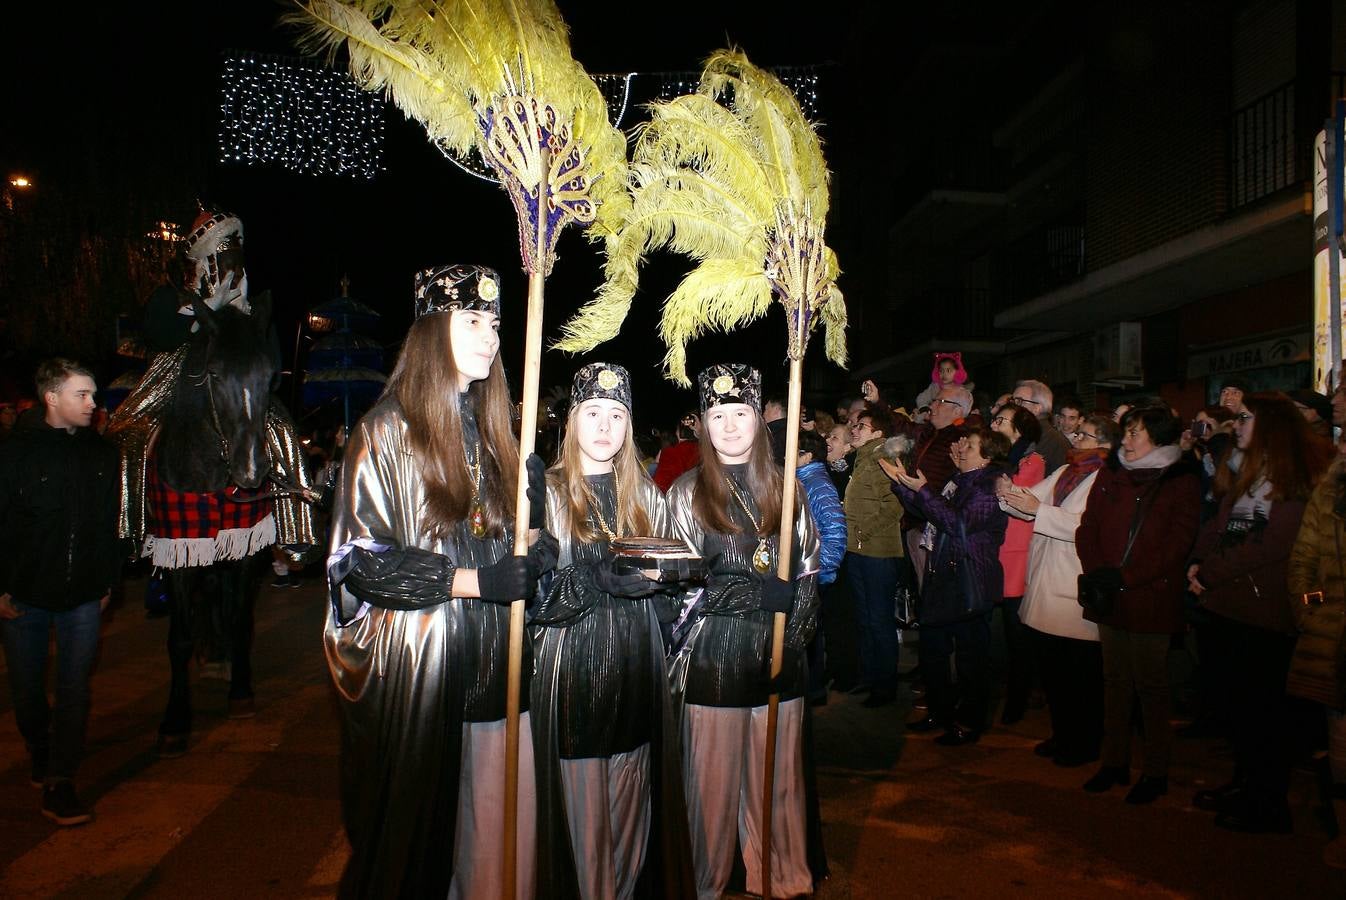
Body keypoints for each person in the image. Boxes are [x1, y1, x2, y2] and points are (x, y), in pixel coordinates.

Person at [324, 264, 557, 898]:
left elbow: (517, 544)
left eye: (496, 324)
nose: (490, 337)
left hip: (499, 661)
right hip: (427, 666)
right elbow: (359, 562)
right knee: (421, 841)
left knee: (490, 835)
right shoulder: (386, 431)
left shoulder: (501, 435)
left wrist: (537, 547)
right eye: (473, 321)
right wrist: (475, 582)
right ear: (433, 330)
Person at [530, 362, 695, 897]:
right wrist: (589, 579)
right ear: (572, 421)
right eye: (593, 413)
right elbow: (530, 601)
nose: (605, 426)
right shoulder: (546, 495)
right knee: (581, 804)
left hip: (637, 659)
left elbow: (675, 578)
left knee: (631, 793)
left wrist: (667, 583)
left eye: (617, 415)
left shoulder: (648, 497)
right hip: (572, 664)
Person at [665, 363, 824, 900]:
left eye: (740, 413)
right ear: (701, 425)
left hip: (779, 658)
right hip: (712, 660)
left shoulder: (789, 491)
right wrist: (755, 594)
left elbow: (808, 569)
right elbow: (681, 587)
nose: (730, 426)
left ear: (759, 420)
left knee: (777, 783)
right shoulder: (685, 494)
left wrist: (796, 617)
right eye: (717, 415)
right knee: (709, 788)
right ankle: (704, 882)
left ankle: (779, 876)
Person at [1186, 393, 1331, 834]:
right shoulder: (1248, 472)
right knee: (1239, 712)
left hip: (1263, 614)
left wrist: (1208, 573)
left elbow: (1269, 545)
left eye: (1246, 418)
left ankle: (1268, 803)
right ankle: (1245, 784)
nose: (1238, 424)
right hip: (1229, 607)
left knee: (1263, 717)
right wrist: (1196, 562)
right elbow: (1218, 524)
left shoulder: (1294, 480)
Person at [0, 359, 120, 826]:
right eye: (82, 395)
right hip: (24, 594)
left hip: (84, 596)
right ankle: (41, 747)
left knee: (74, 689)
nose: (93, 404)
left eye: (93, 395)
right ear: (52, 397)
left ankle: (60, 780)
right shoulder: (13, 454)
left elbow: (108, 523)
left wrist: (106, 579)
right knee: (27, 690)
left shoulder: (102, 454)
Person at [1077, 405, 1200, 804]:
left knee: (1151, 686)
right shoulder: (1112, 471)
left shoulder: (1180, 478)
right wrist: (1097, 571)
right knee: (1114, 683)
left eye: (1135, 434)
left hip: (1151, 597)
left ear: (1159, 438)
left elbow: (1177, 545)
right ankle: (1113, 763)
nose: (1126, 441)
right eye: (1126, 433)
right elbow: (1089, 524)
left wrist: (1126, 577)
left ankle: (1155, 770)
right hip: (1109, 595)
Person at [1000, 414, 1118, 768]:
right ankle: (1062, 735)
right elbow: (1030, 501)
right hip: (1046, 581)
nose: (1077, 438)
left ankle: (1084, 743)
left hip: (1073, 582)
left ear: (1106, 445)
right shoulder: (1067, 470)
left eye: (1085, 434)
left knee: (1081, 678)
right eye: (1079, 433)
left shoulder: (1108, 478)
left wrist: (1040, 512)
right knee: (1055, 675)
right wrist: (1008, 493)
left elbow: (1090, 527)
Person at [886, 426, 1011, 745]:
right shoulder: (960, 480)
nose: (961, 448)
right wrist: (904, 486)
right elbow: (932, 514)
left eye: (970, 444)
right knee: (933, 652)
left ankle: (970, 722)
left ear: (986, 456)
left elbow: (958, 523)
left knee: (971, 660)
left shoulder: (988, 486)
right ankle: (940, 714)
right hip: (943, 577)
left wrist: (924, 489)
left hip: (970, 581)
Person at [843, 403, 906, 707]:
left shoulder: (883, 456)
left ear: (878, 433)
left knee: (879, 620)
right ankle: (870, 678)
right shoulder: (862, 458)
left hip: (878, 552)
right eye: (853, 426)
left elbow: (895, 505)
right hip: (858, 550)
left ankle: (885, 686)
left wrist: (862, 532)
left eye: (860, 426)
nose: (853, 430)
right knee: (866, 618)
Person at [989, 403, 1046, 724]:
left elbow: (1007, 493)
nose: (994, 424)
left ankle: (1020, 695)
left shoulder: (1032, 461)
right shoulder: (997, 460)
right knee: (997, 631)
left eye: (1001, 420)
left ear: (1019, 430)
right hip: (994, 550)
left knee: (1016, 630)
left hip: (1015, 553)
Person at [793, 428, 846, 705]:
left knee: (811, 634)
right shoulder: (802, 479)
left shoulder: (817, 483)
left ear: (808, 455)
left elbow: (835, 529)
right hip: (806, 570)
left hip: (814, 573)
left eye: (795, 451)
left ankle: (814, 691)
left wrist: (820, 570)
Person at [901, 384, 970, 586]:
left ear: (957, 410)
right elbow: (902, 426)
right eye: (934, 400)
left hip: (935, 529)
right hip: (915, 521)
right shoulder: (930, 433)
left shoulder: (962, 440)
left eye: (940, 401)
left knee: (934, 589)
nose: (933, 405)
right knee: (923, 586)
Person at [1011, 379, 1069, 473]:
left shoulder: (1049, 439)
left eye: (1019, 401)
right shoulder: (1027, 433)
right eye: (1012, 401)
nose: (1012, 407)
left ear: (1036, 408)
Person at [653, 411, 701, 493]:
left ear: (679, 432)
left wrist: (654, 465)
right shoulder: (708, 452)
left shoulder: (671, 453)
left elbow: (658, 488)